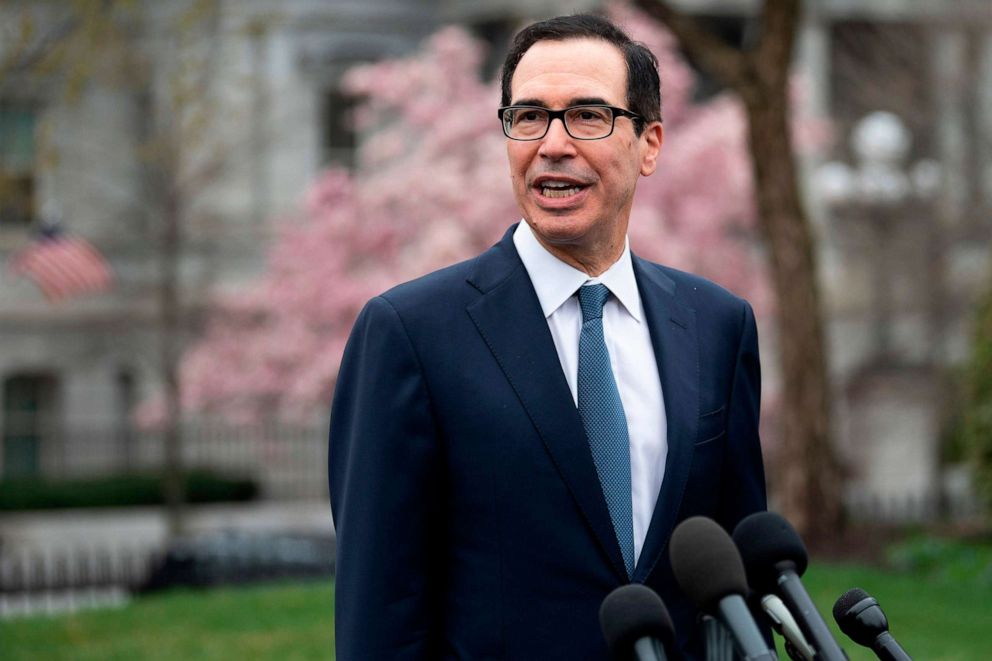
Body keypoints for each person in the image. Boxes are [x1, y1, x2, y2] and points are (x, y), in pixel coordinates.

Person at [329, 14, 767, 660]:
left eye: (587, 115)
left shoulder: (717, 326)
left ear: (649, 143)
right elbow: (379, 618)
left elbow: (738, 590)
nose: (553, 144)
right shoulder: (410, 336)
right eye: (529, 117)